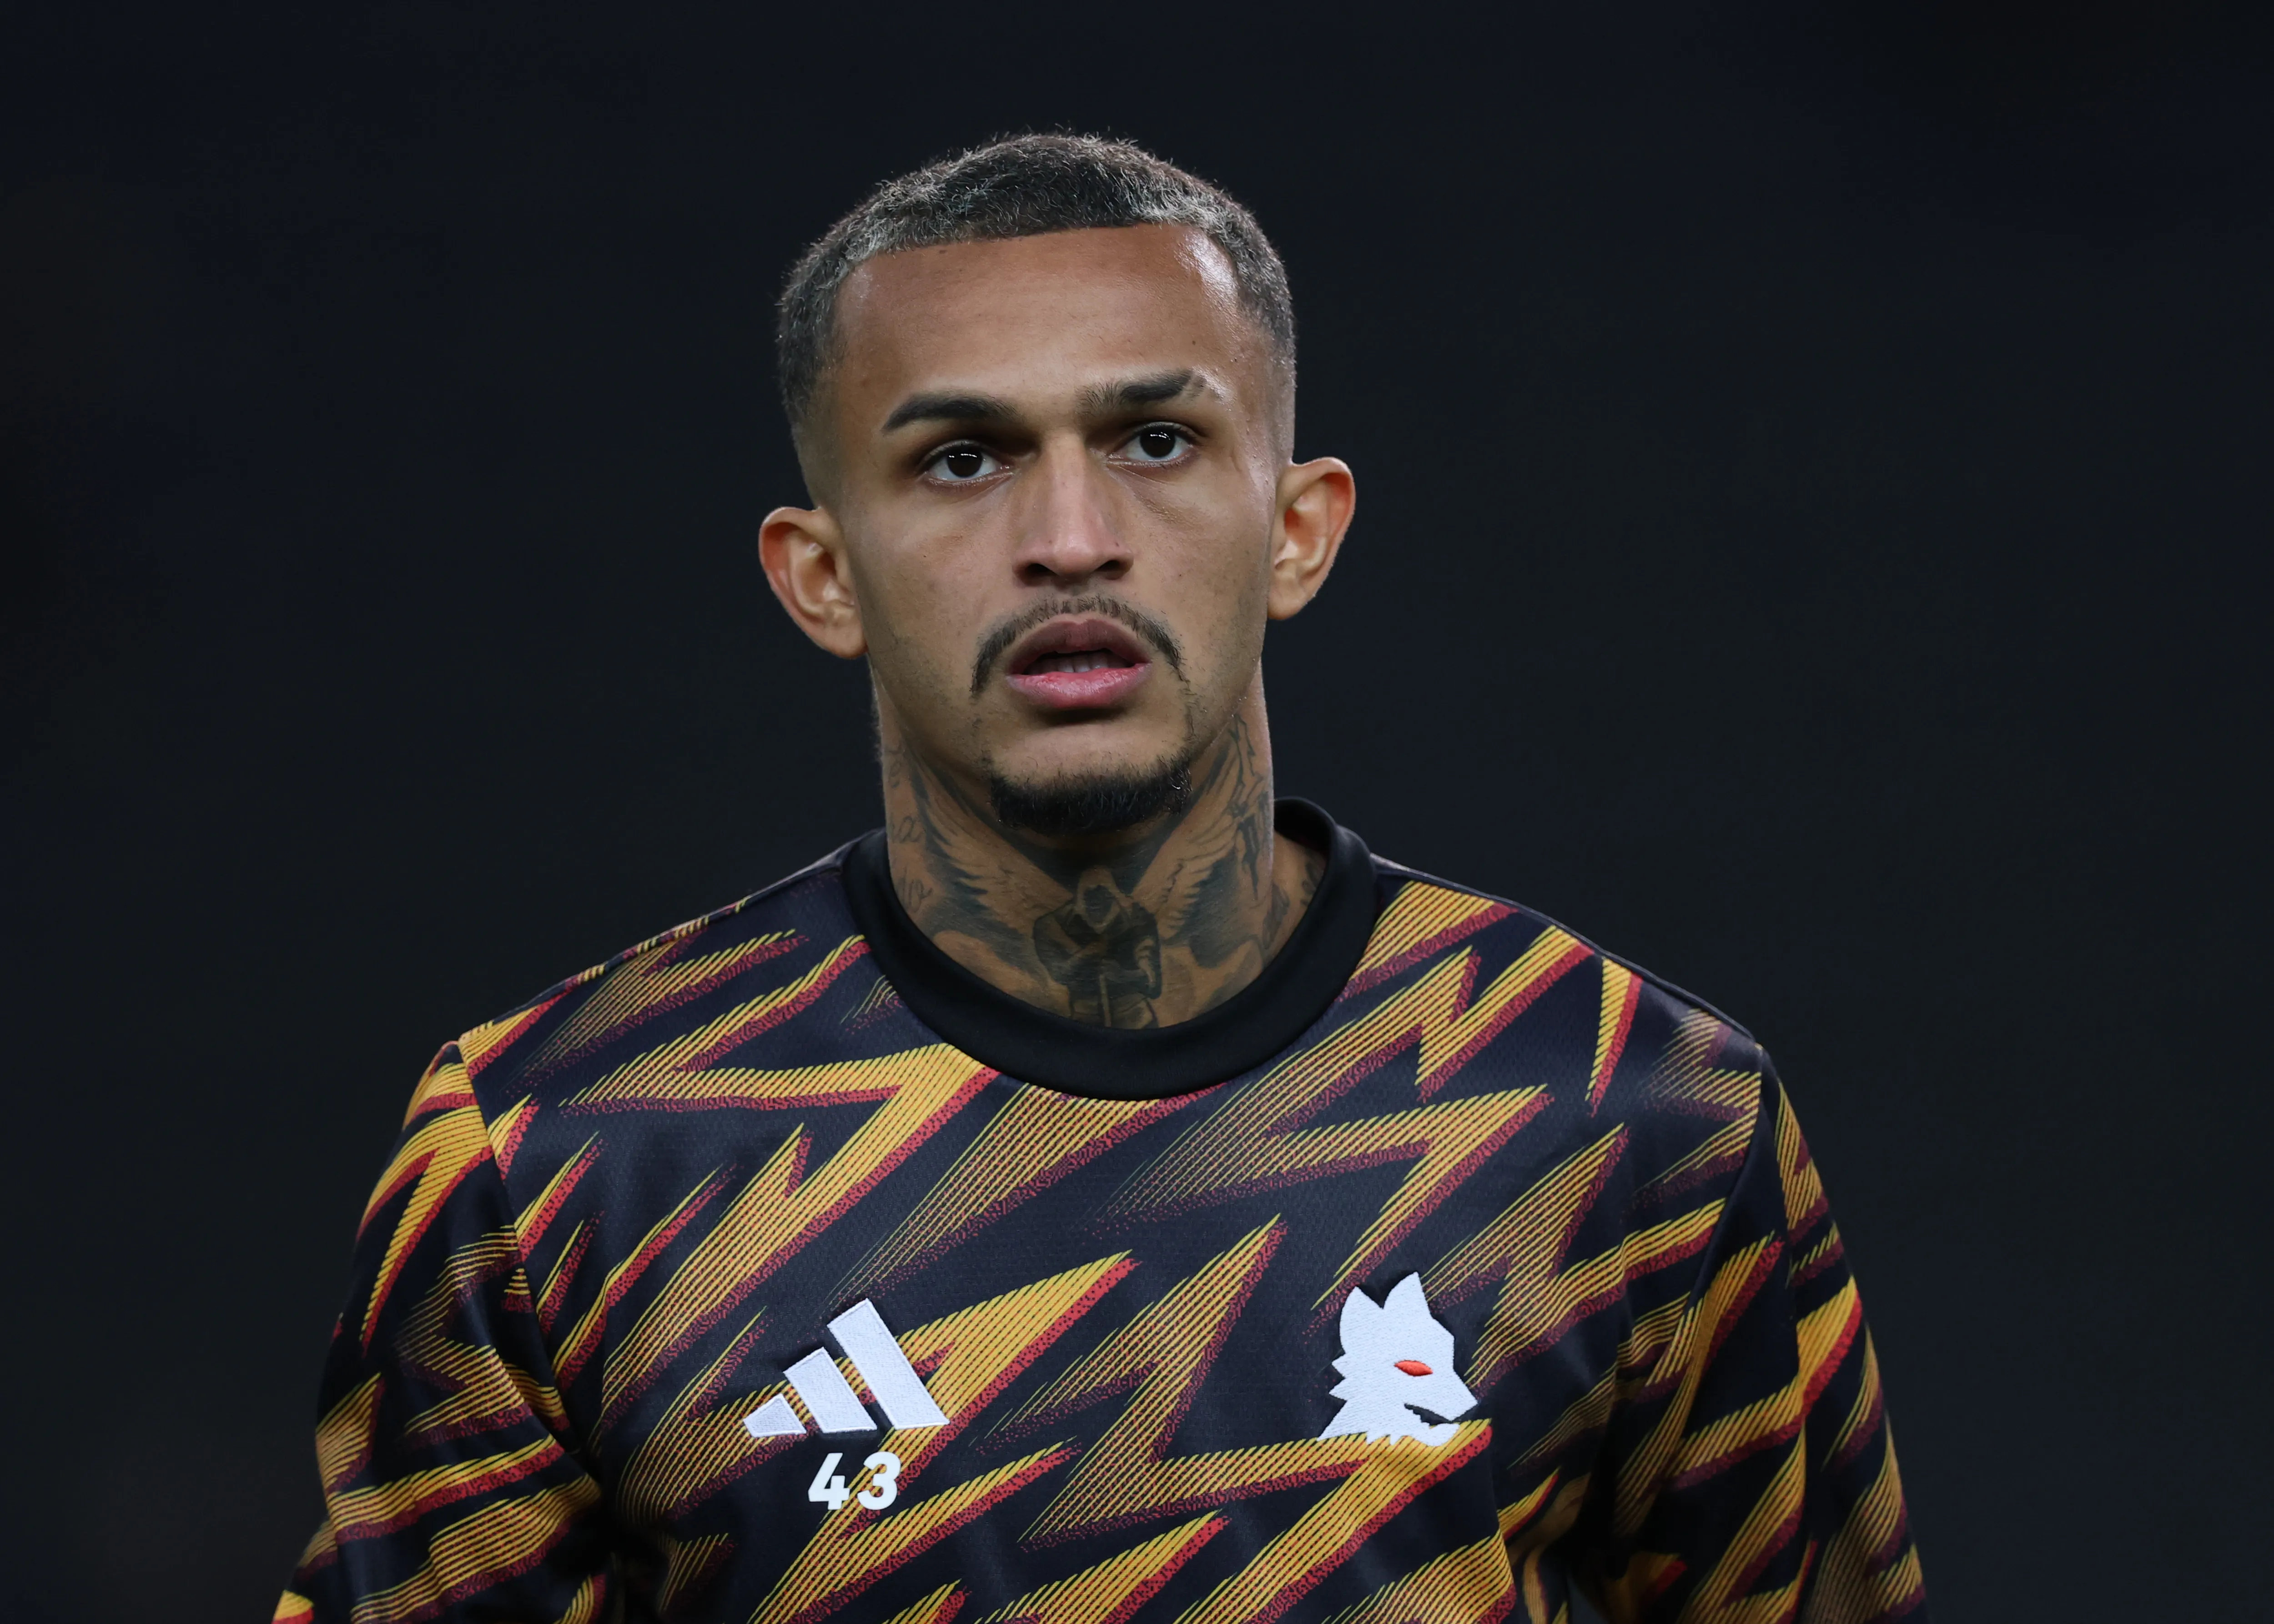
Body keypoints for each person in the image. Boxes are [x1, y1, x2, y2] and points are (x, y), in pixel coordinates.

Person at [277, 135, 1925, 1624]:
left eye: (1153, 437)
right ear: (821, 573)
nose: (1071, 535)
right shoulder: (557, 1158)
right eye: (962, 460)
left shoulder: (1633, 1115)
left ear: (1298, 526)